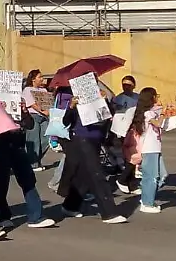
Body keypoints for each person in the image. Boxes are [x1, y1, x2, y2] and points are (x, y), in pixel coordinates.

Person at [54, 86, 127, 224]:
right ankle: (109, 213)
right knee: (96, 174)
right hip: (82, 138)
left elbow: (110, 115)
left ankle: (70, 206)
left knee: (83, 175)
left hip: (97, 139)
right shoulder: (75, 101)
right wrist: (71, 107)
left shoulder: (100, 97)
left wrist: (106, 101)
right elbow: (65, 122)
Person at [128, 87, 165, 214]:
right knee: (151, 177)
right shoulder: (147, 113)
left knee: (162, 176)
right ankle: (147, 203)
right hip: (149, 149)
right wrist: (164, 114)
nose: (157, 98)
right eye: (156, 96)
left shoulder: (150, 112)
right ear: (151, 98)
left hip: (156, 148)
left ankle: (146, 196)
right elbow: (158, 124)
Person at [21, 69, 50, 169]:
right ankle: (33, 164)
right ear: (33, 79)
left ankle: (36, 159)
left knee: (46, 139)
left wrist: (48, 111)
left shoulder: (43, 90)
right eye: (40, 77)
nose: (42, 79)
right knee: (34, 140)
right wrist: (43, 111)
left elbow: (47, 103)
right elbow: (32, 104)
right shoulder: (28, 90)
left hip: (44, 117)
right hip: (33, 116)